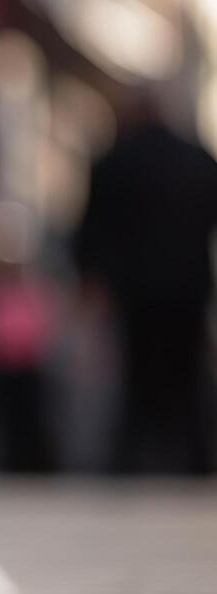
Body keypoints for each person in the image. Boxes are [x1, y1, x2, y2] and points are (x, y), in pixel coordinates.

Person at [75, 91, 217, 474]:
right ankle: (196, 461)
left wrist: (92, 285)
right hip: (188, 288)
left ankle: (130, 462)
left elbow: (92, 231)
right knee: (187, 378)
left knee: (137, 379)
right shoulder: (197, 160)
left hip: (135, 291)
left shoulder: (114, 162)